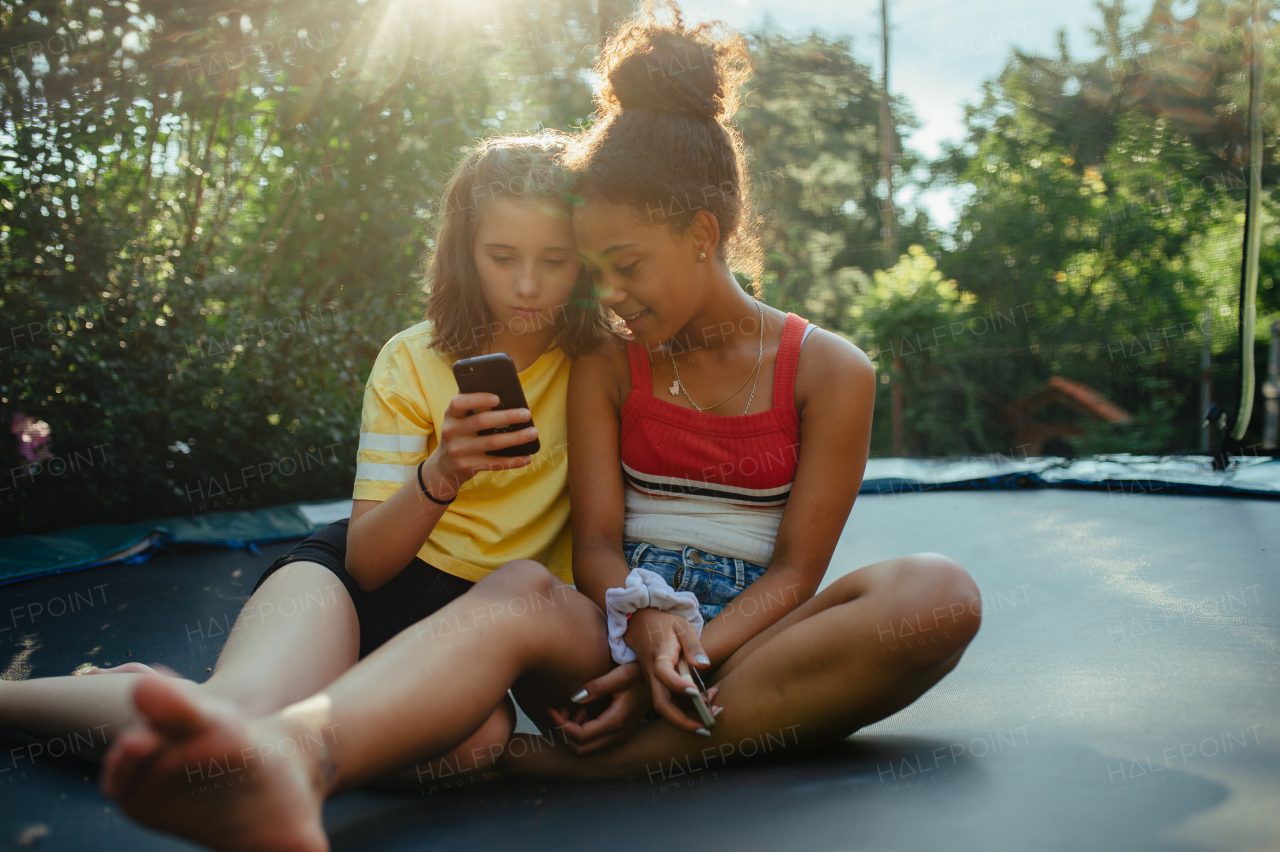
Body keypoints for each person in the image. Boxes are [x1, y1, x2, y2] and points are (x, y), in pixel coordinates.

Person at [90, 7, 982, 850]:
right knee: (520, 585)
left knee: (937, 593)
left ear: (704, 234)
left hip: (741, 648)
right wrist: (644, 628)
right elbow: (595, 546)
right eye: (595, 275)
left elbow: (795, 572)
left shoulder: (832, 371)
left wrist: (692, 646)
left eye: (623, 267)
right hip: (608, 632)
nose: (611, 298)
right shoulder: (607, 360)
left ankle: (565, 760)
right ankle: (296, 756)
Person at [0, 131, 618, 799]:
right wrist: (443, 472)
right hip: (356, 589)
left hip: (469, 633)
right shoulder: (411, 361)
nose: (528, 284)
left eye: (554, 261)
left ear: (582, 261)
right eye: (502, 257)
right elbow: (367, 564)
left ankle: (187, 701)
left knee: (478, 744)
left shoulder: (599, 369)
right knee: (227, 723)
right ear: (466, 253)